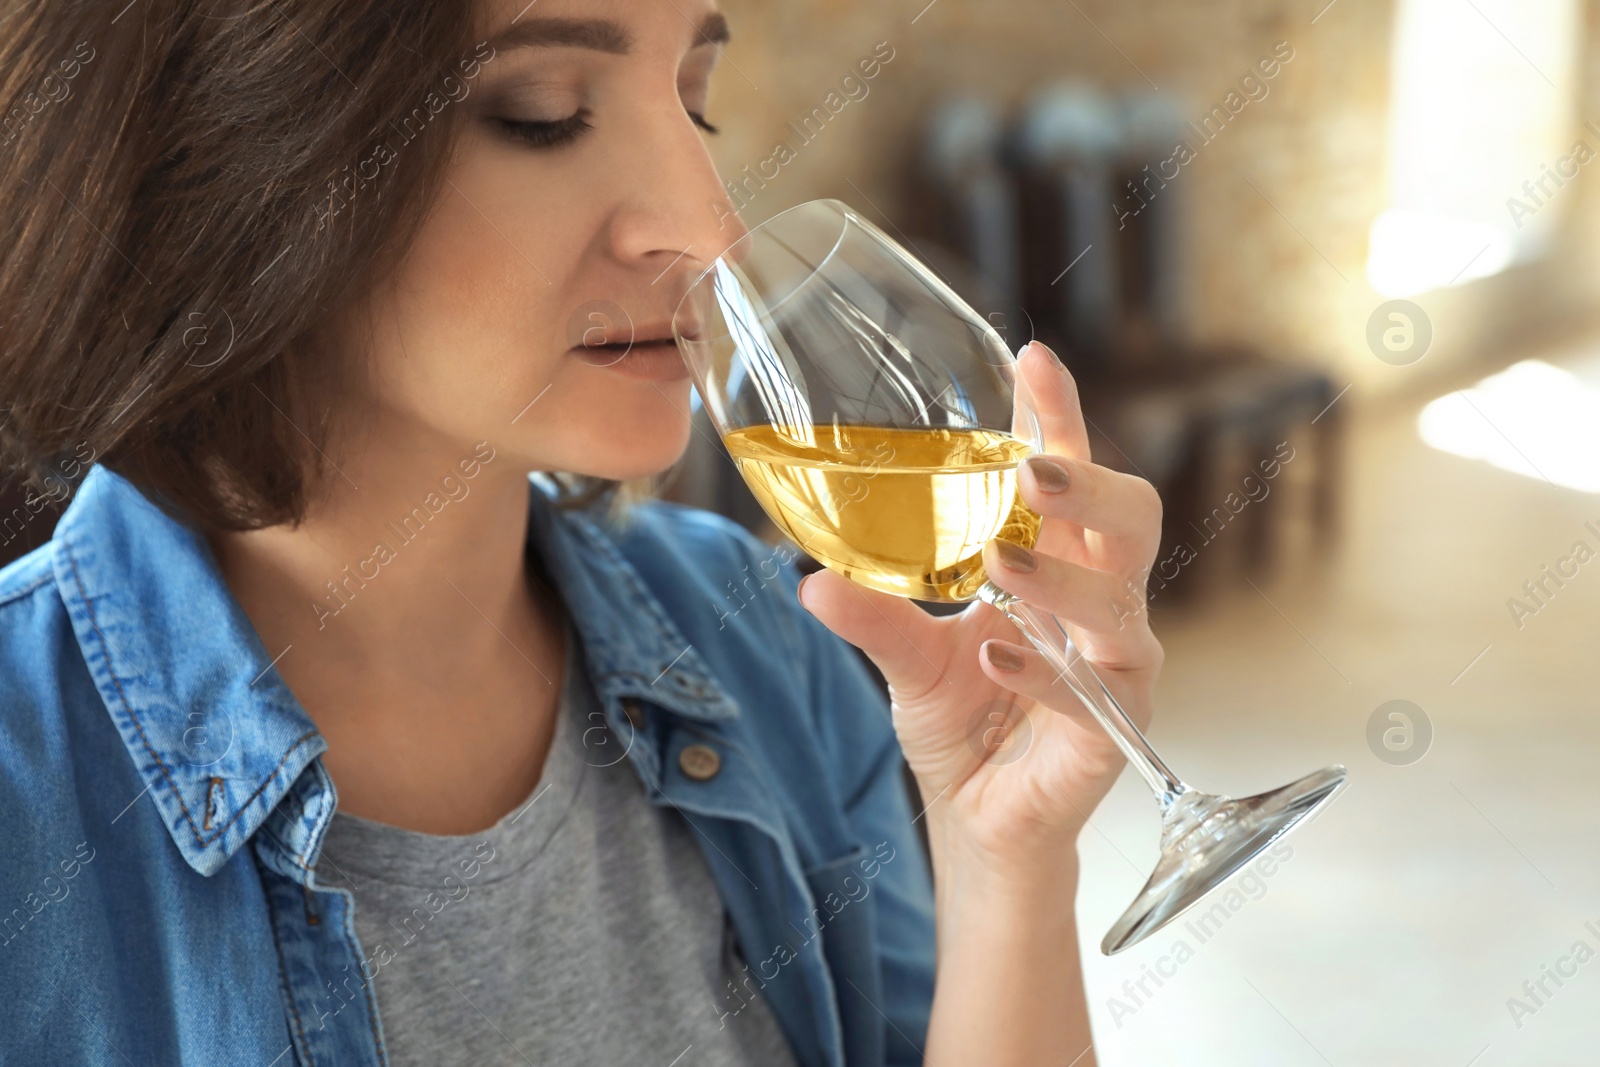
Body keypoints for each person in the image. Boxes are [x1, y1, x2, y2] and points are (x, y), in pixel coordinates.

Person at [0, 1, 1164, 1064]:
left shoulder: (772, 641)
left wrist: (1001, 861)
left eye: (694, 103)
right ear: (237, 160)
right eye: (541, 116)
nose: (709, 226)